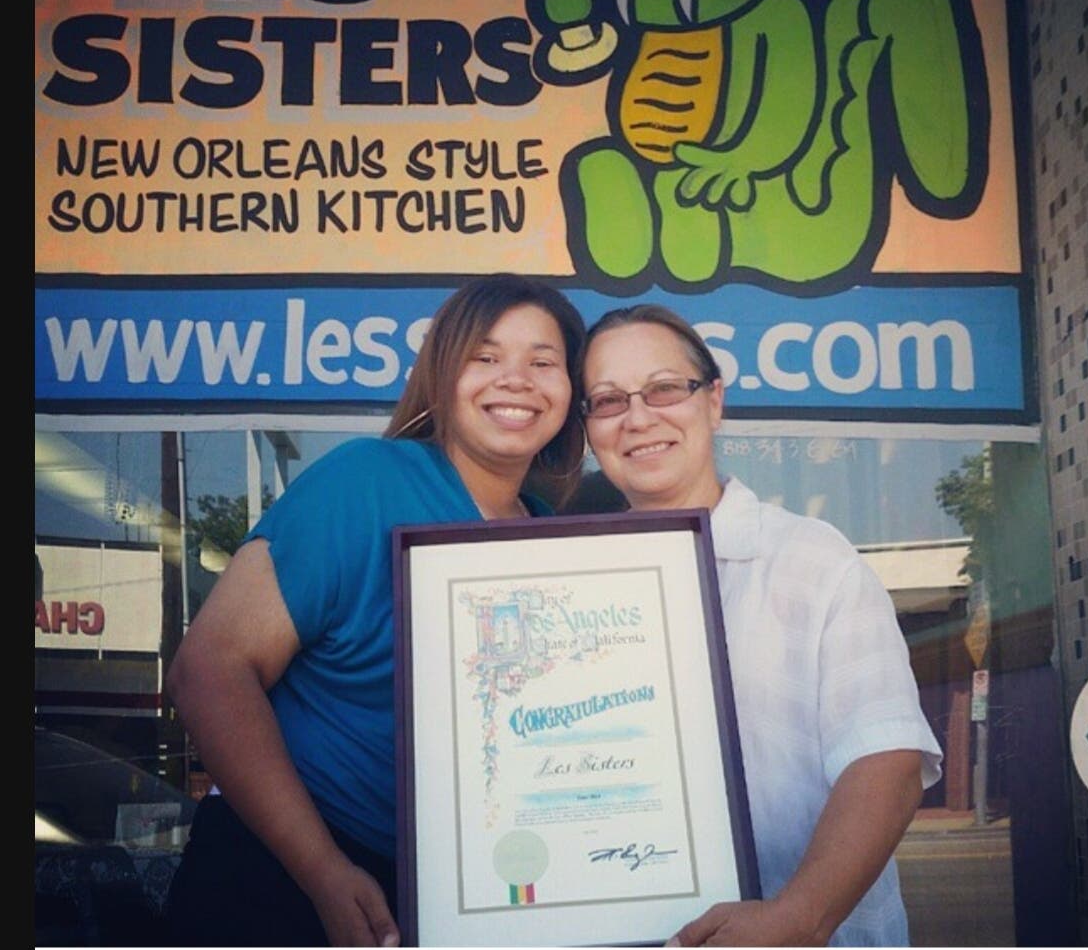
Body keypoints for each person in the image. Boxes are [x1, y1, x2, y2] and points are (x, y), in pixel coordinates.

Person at [165, 274, 585, 947]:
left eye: (543, 362)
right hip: (280, 873)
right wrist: (323, 870)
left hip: (457, 892)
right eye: (485, 357)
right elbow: (209, 670)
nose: (516, 380)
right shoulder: (365, 480)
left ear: (571, 391)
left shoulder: (543, 535)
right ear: (444, 374)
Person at [578, 305, 942, 948]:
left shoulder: (813, 559)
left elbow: (888, 758)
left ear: (713, 401)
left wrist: (798, 918)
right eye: (608, 400)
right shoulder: (569, 589)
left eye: (665, 388)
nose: (638, 417)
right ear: (588, 429)